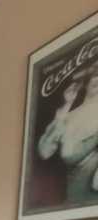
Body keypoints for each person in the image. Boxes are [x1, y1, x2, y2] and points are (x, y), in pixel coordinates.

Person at [37, 62, 98, 204]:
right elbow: (44, 151)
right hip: (73, 198)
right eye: (96, 75)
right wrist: (67, 105)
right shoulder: (68, 115)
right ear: (86, 82)